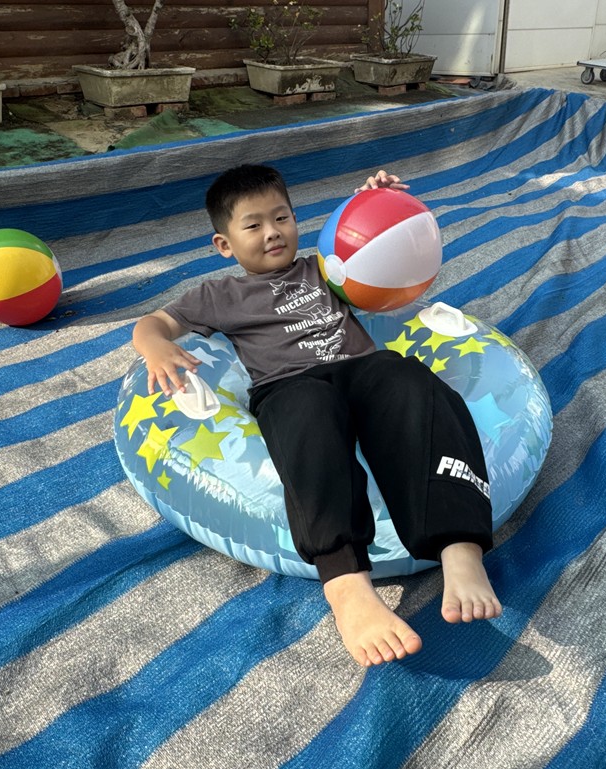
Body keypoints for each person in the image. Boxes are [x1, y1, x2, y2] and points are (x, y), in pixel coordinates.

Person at [132, 165, 501, 667]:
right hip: (288, 386)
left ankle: (459, 548)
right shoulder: (218, 296)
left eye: (281, 217)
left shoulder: (323, 268)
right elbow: (154, 322)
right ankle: (347, 585)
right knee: (307, 412)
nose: (272, 232)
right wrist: (154, 346)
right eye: (253, 225)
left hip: (362, 368)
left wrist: (373, 202)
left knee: (410, 381)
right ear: (224, 244)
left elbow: (363, 240)